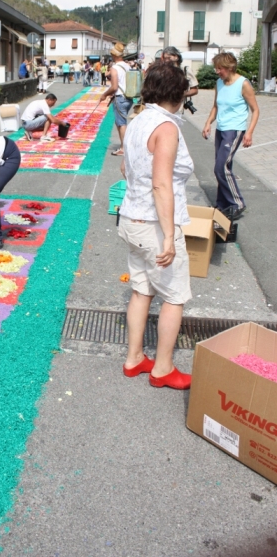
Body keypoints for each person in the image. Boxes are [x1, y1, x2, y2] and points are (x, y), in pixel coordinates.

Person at [118, 62, 194, 390]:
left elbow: (126, 167)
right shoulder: (166, 127)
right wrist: (169, 238)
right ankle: (162, 368)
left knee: (141, 290)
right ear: (177, 94)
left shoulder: (137, 120)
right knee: (174, 296)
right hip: (155, 223)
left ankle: (134, 357)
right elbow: (161, 184)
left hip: (131, 216)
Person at [202, 52, 259, 219]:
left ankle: (237, 203)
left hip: (235, 130)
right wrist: (208, 123)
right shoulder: (219, 83)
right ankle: (222, 204)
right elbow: (215, 106)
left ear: (230, 68)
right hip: (221, 129)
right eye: (216, 69)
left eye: (220, 69)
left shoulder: (243, 84)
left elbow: (255, 110)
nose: (217, 72)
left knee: (221, 167)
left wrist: (249, 132)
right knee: (223, 167)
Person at [100, 42, 133, 156]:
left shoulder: (115, 68)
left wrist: (104, 94)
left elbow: (114, 87)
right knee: (121, 122)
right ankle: (124, 146)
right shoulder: (127, 66)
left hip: (120, 97)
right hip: (128, 97)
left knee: (121, 123)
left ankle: (123, 148)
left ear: (114, 55)